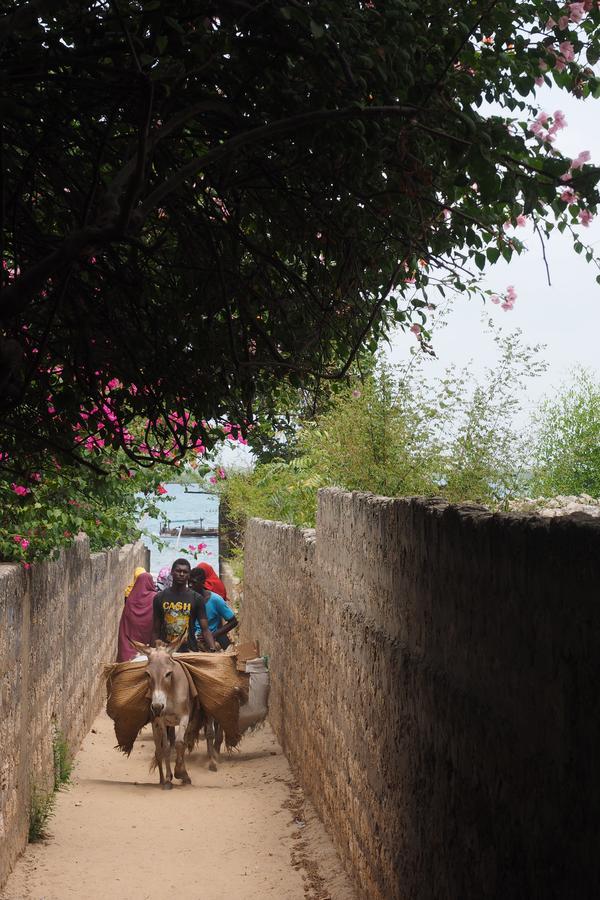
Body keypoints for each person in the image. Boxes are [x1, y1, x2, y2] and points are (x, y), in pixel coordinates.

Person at [153, 558, 217, 652]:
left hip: (189, 650)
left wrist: (213, 649)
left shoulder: (197, 598)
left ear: (189, 575)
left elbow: (205, 629)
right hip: (166, 651)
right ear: (172, 572)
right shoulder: (160, 597)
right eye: (178, 571)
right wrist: (153, 652)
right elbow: (155, 630)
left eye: (185, 572)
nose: (181, 574)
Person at [189, 566, 238, 650]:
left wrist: (213, 635)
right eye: (189, 582)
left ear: (203, 582)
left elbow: (233, 622)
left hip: (211, 641)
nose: (190, 585)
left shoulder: (215, 600)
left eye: (194, 582)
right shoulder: (187, 598)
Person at [117, 571, 157, 662]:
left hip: (130, 638)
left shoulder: (131, 598)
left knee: (127, 660)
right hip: (146, 640)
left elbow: (125, 622)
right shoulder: (154, 598)